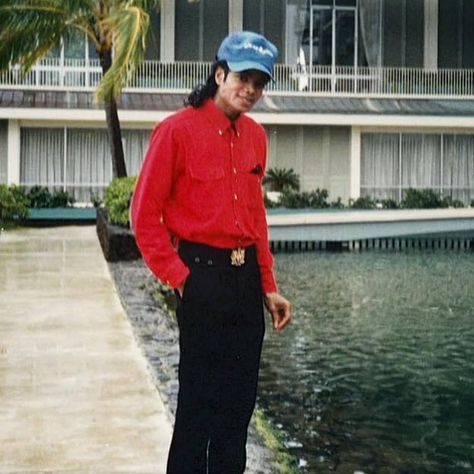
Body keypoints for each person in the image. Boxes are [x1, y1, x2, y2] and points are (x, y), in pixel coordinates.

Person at [131, 30, 292, 474]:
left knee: (238, 408)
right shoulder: (176, 132)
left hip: (244, 286)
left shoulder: (256, 137)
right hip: (201, 278)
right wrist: (181, 279)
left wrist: (268, 287)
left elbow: (256, 221)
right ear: (219, 74)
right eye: (243, 78)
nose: (251, 91)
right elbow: (144, 215)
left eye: (260, 83)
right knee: (198, 407)